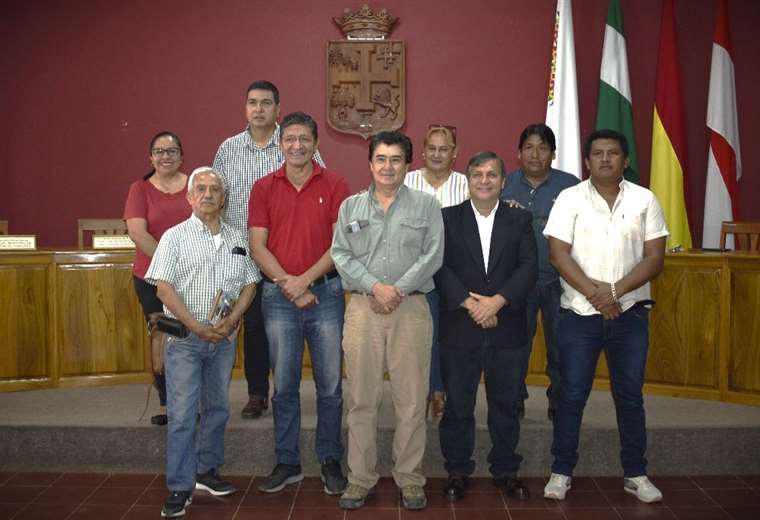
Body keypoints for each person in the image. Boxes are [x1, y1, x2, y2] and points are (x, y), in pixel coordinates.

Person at [542, 130, 668, 503]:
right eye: (597, 153)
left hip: (629, 316)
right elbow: (558, 256)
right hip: (579, 315)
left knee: (629, 396)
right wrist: (598, 295)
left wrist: (613, 293)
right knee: (572, 394)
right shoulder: (569, 199)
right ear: (587, 161)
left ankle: (636, 473)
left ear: (625, 160)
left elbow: (654, 259)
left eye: (613, 153)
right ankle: (561, 471)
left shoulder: (645, 199)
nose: (605, 159)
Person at [331, 131, 444, 511]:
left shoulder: (426, 206)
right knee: (362, 398)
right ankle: (360, 478)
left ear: (408, 165)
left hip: (410, 308)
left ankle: (410, 478)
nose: (388, 167)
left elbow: (433, 255)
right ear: (370, 163)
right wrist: (375, 288)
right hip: (363, 309)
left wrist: (395, 290)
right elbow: (340, 255)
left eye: (396, 159)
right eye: (381, 159)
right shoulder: (350, 208)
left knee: (411, 400)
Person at [145, 167, 260, 518]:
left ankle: (207, 471)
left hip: (223, 341)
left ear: (223, 198)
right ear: (190, 198)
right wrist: (196, 326)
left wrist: (232, 319)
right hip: (185, 340)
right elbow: (163, 287)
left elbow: (250, 284)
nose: (208, 194)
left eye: (215, 189)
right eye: (202, 189)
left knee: (218, 408)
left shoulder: (238, 238)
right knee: (181, 415)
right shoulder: (174, 237)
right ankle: (180, 487)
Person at [249, 112, 350, 495]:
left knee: (330, 386)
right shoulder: (263, 188)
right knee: (285, 385)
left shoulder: (336, 184)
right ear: (280, 144)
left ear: (315, 144)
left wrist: (304, 281)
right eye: (289, 139)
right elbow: (258, 245)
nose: (297, 145)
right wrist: (288, 284)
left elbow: (340, 246)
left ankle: (329, 460)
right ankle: (287, 462)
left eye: (304, 139)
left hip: (325, 294)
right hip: (278, 298)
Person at [212, 80, 324, 419]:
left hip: (286, 256)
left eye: (265, 103)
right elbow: (215, 198)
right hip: (242, 255)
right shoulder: (228, 149)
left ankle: (287, 392)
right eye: (252, 102)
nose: (258, 109)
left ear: (278, 108)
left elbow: (321, 190)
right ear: (245, 108)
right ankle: (257, 392)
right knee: (253, 324)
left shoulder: (295, 143)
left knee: (286, 328)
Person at [435, 151, 537, 502]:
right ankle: (458, 471)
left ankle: (506, 471)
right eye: (477, 174)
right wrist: (472, 304)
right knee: (458, 406)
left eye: (491, 175)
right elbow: (440, 267)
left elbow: (528, 267)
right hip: (460, 327)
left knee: (505, 404)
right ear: (467, 180)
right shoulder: (447, 218)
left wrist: (497, 302)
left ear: (503, 181)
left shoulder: (520, 220)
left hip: (506, 325)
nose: (483, 180)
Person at [501, 124, 579, 421]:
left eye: (543, 147)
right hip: (517, 281)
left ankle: (558, 400)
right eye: (529, 147)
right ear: (519, 153)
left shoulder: (570, 186)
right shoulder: (504, 183)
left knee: (560, 346)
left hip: (560, 279)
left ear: (553, 153)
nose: (535, 154)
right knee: (516, 345)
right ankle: (514, 399)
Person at [124, 131, 192, 426]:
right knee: (161, 336)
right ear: (151, 157)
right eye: (160, 151)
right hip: (151, 277)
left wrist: (186, 268)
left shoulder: (196, 185)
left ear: (181, 155)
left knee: (188, 336)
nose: (166, 156)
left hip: (192, 277)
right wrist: (169, 264)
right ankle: (166, 403)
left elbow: (209, 223)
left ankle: (190, 400)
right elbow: (138, 232)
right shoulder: (139, 189)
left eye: (172, 151)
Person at [404, 124, 469, 419]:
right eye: (432, 148)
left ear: (455, 153)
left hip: (458, 275)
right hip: (418, 276)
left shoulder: (468, 184)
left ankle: (446, 391)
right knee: (425, 337)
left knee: (453, 337)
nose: (438, 154)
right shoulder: (406, 181)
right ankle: (434, 391)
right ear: (422, 151)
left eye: (444, 149)